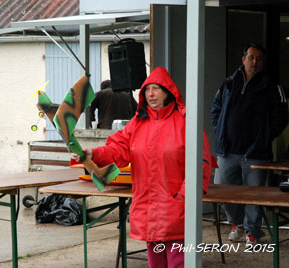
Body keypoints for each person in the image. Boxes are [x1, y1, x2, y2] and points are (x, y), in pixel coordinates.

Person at [74, 67, 212, 268]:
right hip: (147, 207)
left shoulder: (186, 122)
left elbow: (202, 164)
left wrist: (184, 198)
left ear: (168, 92)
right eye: (147, 90)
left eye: (156, 89)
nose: (151, 94)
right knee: (155, 264)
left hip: (176, 208)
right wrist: (93, 154)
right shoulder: (137, 123)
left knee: (179, 264)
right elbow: (117, 149)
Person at [211, 43, 288, 244]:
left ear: (263, 62)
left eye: (259, 59)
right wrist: (219, 131)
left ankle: (252, 232)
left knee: (254, 195)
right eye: (251, 57)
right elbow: (216, 108)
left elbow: (281, 117)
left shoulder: (271, 86)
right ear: (243, 59)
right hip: (227, 152)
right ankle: (237, 223)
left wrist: (265, 138)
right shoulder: (229, 83)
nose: (254, 62)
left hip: (255, 153)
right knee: (223, 192)